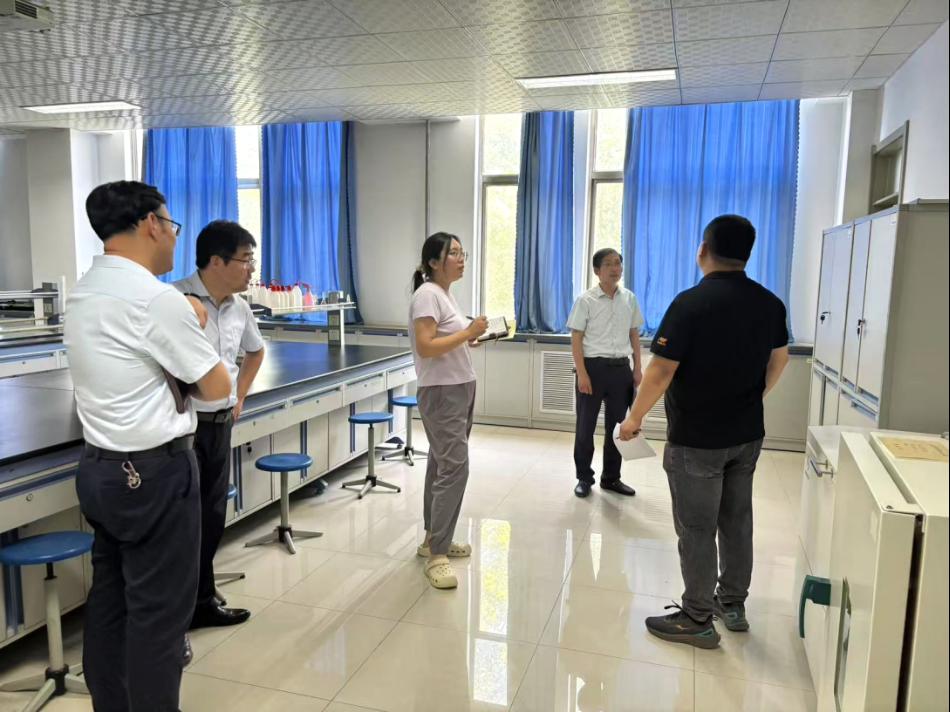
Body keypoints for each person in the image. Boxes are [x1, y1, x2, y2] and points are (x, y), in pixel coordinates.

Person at [65, 181, 231, 711]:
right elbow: (218, 389)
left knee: (110, 605)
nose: (175, 237)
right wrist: (195, 319)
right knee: (160, 618)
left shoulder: (83, 292)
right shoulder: (157, 300)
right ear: (151, 224)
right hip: (155, 476)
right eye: (171, 225)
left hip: (100, 471)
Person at [618, 214, 790, 649]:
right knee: (737, 520)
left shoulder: (690, 304)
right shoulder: (770, 303)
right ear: (747, 254)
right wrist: (754, 395)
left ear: (703, 250)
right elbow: (780, 359)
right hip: (747, 434)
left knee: (697, 527)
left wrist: (634, 419)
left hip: (697, 440)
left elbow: (660, 372)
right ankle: (731, 604)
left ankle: (697, 617)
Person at [173, 220, 265, 630]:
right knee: (182, 517)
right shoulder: (176, 300)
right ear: (216, 261)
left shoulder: (238, 307)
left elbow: (255, 352)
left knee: (212, 515)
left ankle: (200, 600)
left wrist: (239, 396)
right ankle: (181, 604)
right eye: (246, 260)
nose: (251, 269)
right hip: (183, 428)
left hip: (220, 423)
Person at [408, 232, 487, 590]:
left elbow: (445, 339)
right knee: (455, 467)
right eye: (453, 253)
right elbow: (426, 346)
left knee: (441, 464)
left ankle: (433, 540)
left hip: (458, 387)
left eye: (461, 252)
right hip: (442, 392)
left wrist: (470, 336)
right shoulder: (427, 294)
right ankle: (437, 555)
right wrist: (467, 332)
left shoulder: (444, 295)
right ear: (433, 262)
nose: (461, 258)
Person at [567, 247, 644, 499]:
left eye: (618, 263)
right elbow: (576, 338)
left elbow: (634, 334)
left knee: (618, 427)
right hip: (593, 369)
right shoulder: (585, 300)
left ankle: (611, 478)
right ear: (597, 270)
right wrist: (582, 374)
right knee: (585, 427)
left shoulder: (629, 298)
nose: (615, 268)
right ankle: (584, 478)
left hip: (621, 369)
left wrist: (637, 368)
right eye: (609, 264)